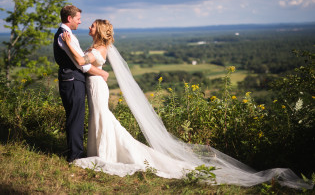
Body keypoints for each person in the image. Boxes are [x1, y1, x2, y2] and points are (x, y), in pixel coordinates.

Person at [62, 19, 313, 189]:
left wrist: (67, 42)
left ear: (99, 30)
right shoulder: (98, 47)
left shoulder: (96, 51)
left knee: (104, 118)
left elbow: (82, 61)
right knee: (102, 118)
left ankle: (106, 153)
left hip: (97, 87)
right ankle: (101, 150)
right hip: (97, 85)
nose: (90, 26)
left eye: (93, 24)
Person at [53, 5, 109, 163]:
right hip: (73, 80)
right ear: (69, 19)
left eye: (92, 25)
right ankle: (75, 156)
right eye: (78, 18)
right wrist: (102, 72)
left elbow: (81, 62)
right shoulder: (65, 36)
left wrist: (101, 73)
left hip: (89, 83)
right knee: (76, 117)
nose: (81, 22)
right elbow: (81, 63)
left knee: (91, 116)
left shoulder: (67, 36)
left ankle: (88, 151)